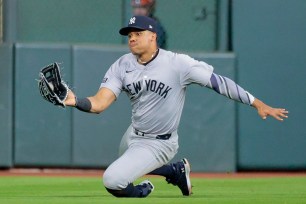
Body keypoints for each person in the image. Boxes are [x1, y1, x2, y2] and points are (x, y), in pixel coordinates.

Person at [64, 16, 288, 198]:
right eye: (129, 35)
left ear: (153, 36)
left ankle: (143, 191)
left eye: (138, 33)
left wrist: (258, 103)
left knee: (112, 180)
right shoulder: (122, 65)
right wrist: (76, 101)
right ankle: (175, 171)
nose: (132, 38)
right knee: (124, 158)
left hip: (160, 142)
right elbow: (100, 103)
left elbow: (219, 83)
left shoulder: (177, 64)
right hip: (133, 134)